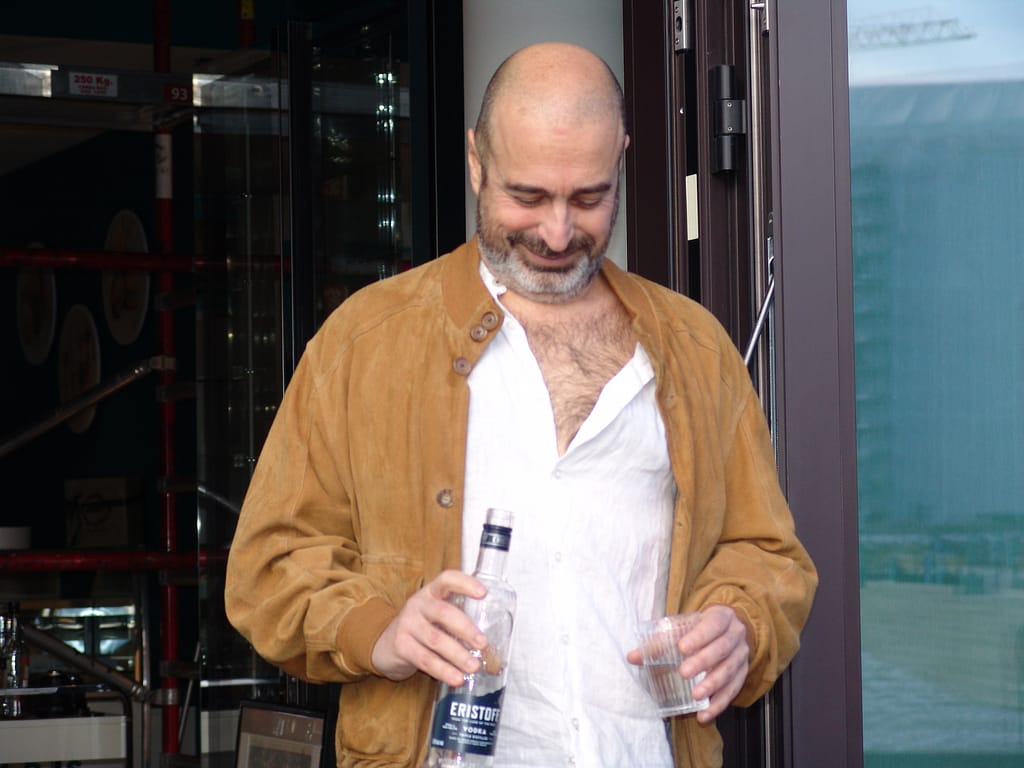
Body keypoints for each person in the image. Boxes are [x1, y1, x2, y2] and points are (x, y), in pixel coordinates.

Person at [225, 41, 817, 768]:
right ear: (476, 161)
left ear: (622, 159)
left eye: (589, 198)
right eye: (528, 197)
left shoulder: (695, 348)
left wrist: (740, 622)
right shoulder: (365, 343)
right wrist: (380, 631)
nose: (557, 233)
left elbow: (768, 554)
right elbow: (269, 569)